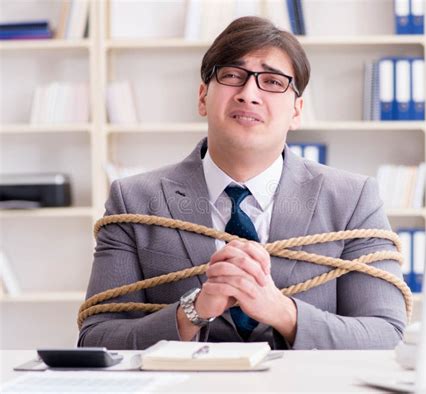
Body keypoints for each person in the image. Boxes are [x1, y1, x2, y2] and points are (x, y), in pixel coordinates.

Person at [78, 16, 406, 350]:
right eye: (233, 76)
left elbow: (386, 336)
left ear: (297, 111)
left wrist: (282, 312)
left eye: (273, 82)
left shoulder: (353, 200)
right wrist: (192, 311)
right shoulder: (133, 200)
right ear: (203, 96)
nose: (249, 94)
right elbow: (96, 339)